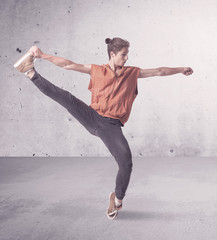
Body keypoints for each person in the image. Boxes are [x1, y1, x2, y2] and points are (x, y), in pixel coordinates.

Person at [13, 37, 193, 220]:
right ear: (113, 54)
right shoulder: (96, 70)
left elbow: (159, 71)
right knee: (66, 98)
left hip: (111, 126)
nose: (126, 58)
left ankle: (117, 199)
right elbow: (68, 65)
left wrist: (181, 69)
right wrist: (43, 55)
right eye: (123, 55)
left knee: (126, 163)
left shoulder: (132, 73)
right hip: (92, 117)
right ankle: (30, 71)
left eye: (127, 55)